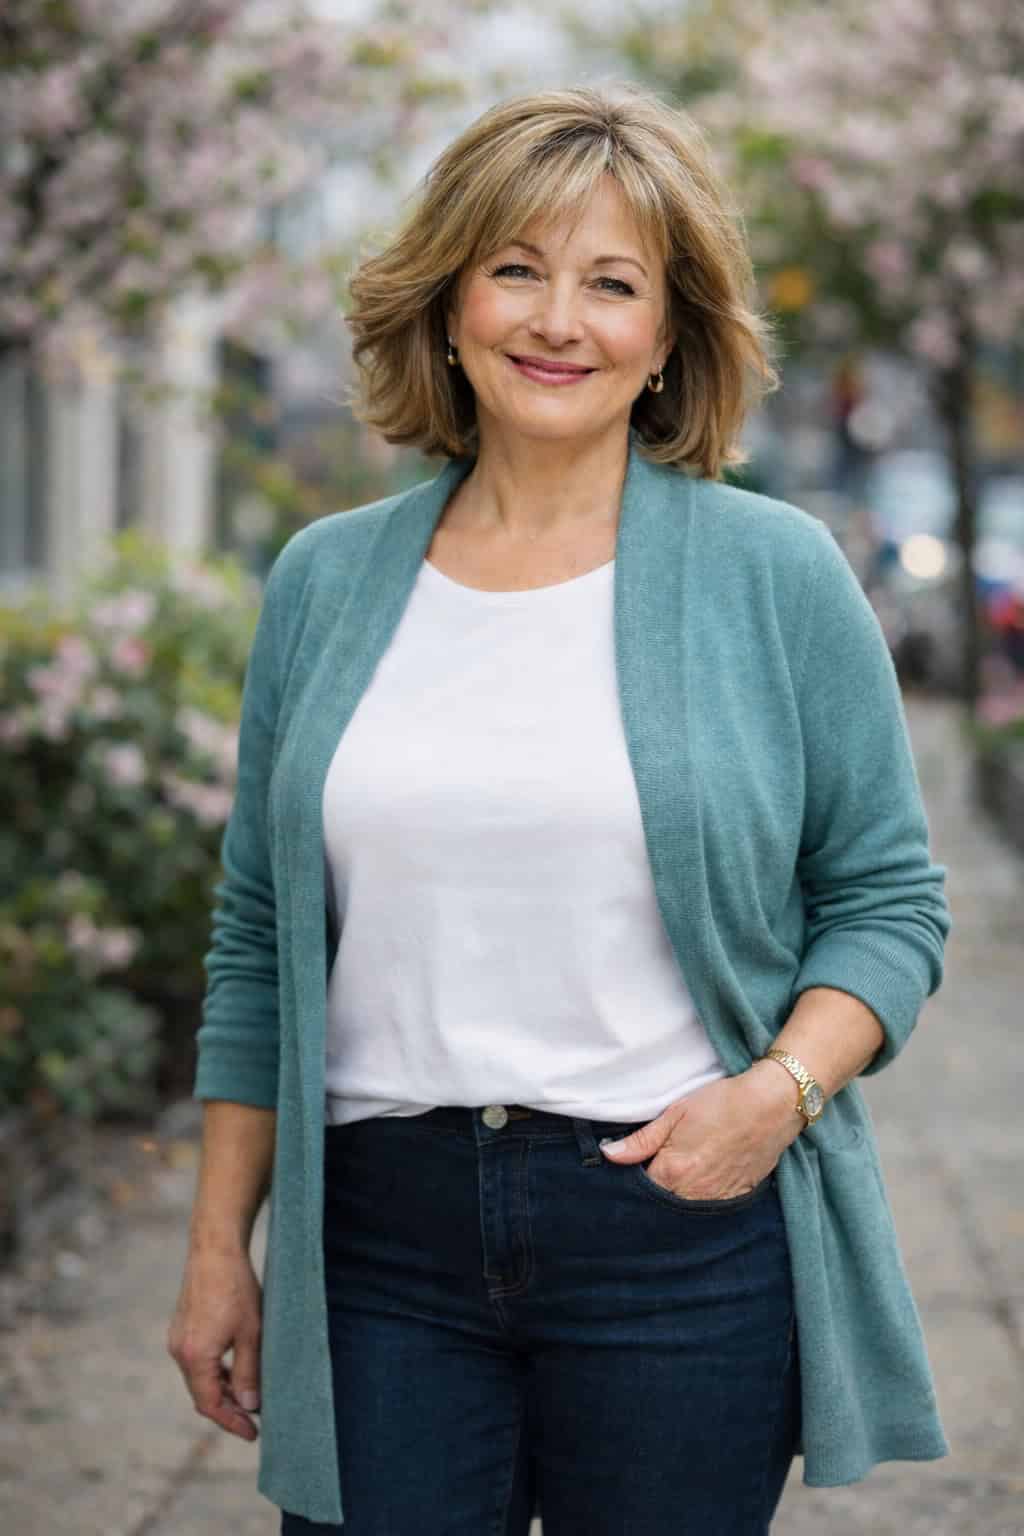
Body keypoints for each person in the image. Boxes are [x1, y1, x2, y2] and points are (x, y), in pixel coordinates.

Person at [168, 84, 952, 1534]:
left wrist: (774, 1100)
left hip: (676, 1229)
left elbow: (889, 903)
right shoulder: (325, 584)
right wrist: (221, 1244)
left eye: (613, 284)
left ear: (666, 335)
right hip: (380, 1243)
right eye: (517, 268)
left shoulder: (775, 575)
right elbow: (259, 935)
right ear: (450, 300)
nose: (558, 321)